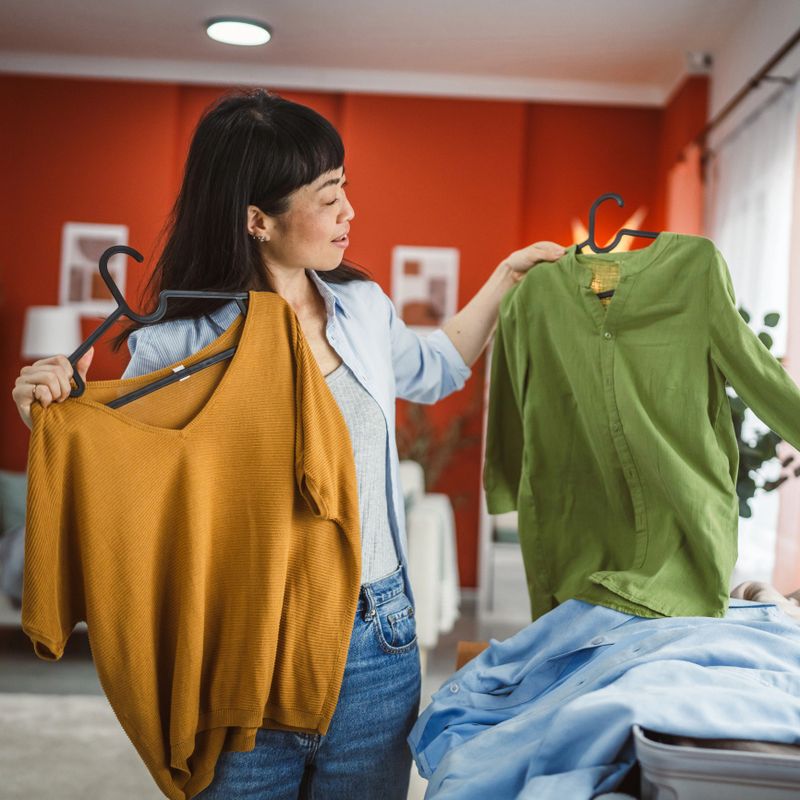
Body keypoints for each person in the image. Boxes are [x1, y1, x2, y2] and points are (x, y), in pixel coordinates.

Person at [11, 88, 566, 799]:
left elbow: (434, 368)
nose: (349, 212)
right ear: (257, 220)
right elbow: (128, 482)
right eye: (329, 196)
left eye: (346, 190)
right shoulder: (175, 343)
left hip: (377, 637)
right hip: (242, 641)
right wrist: (54, 417)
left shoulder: (361, 307)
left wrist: (505, 278)